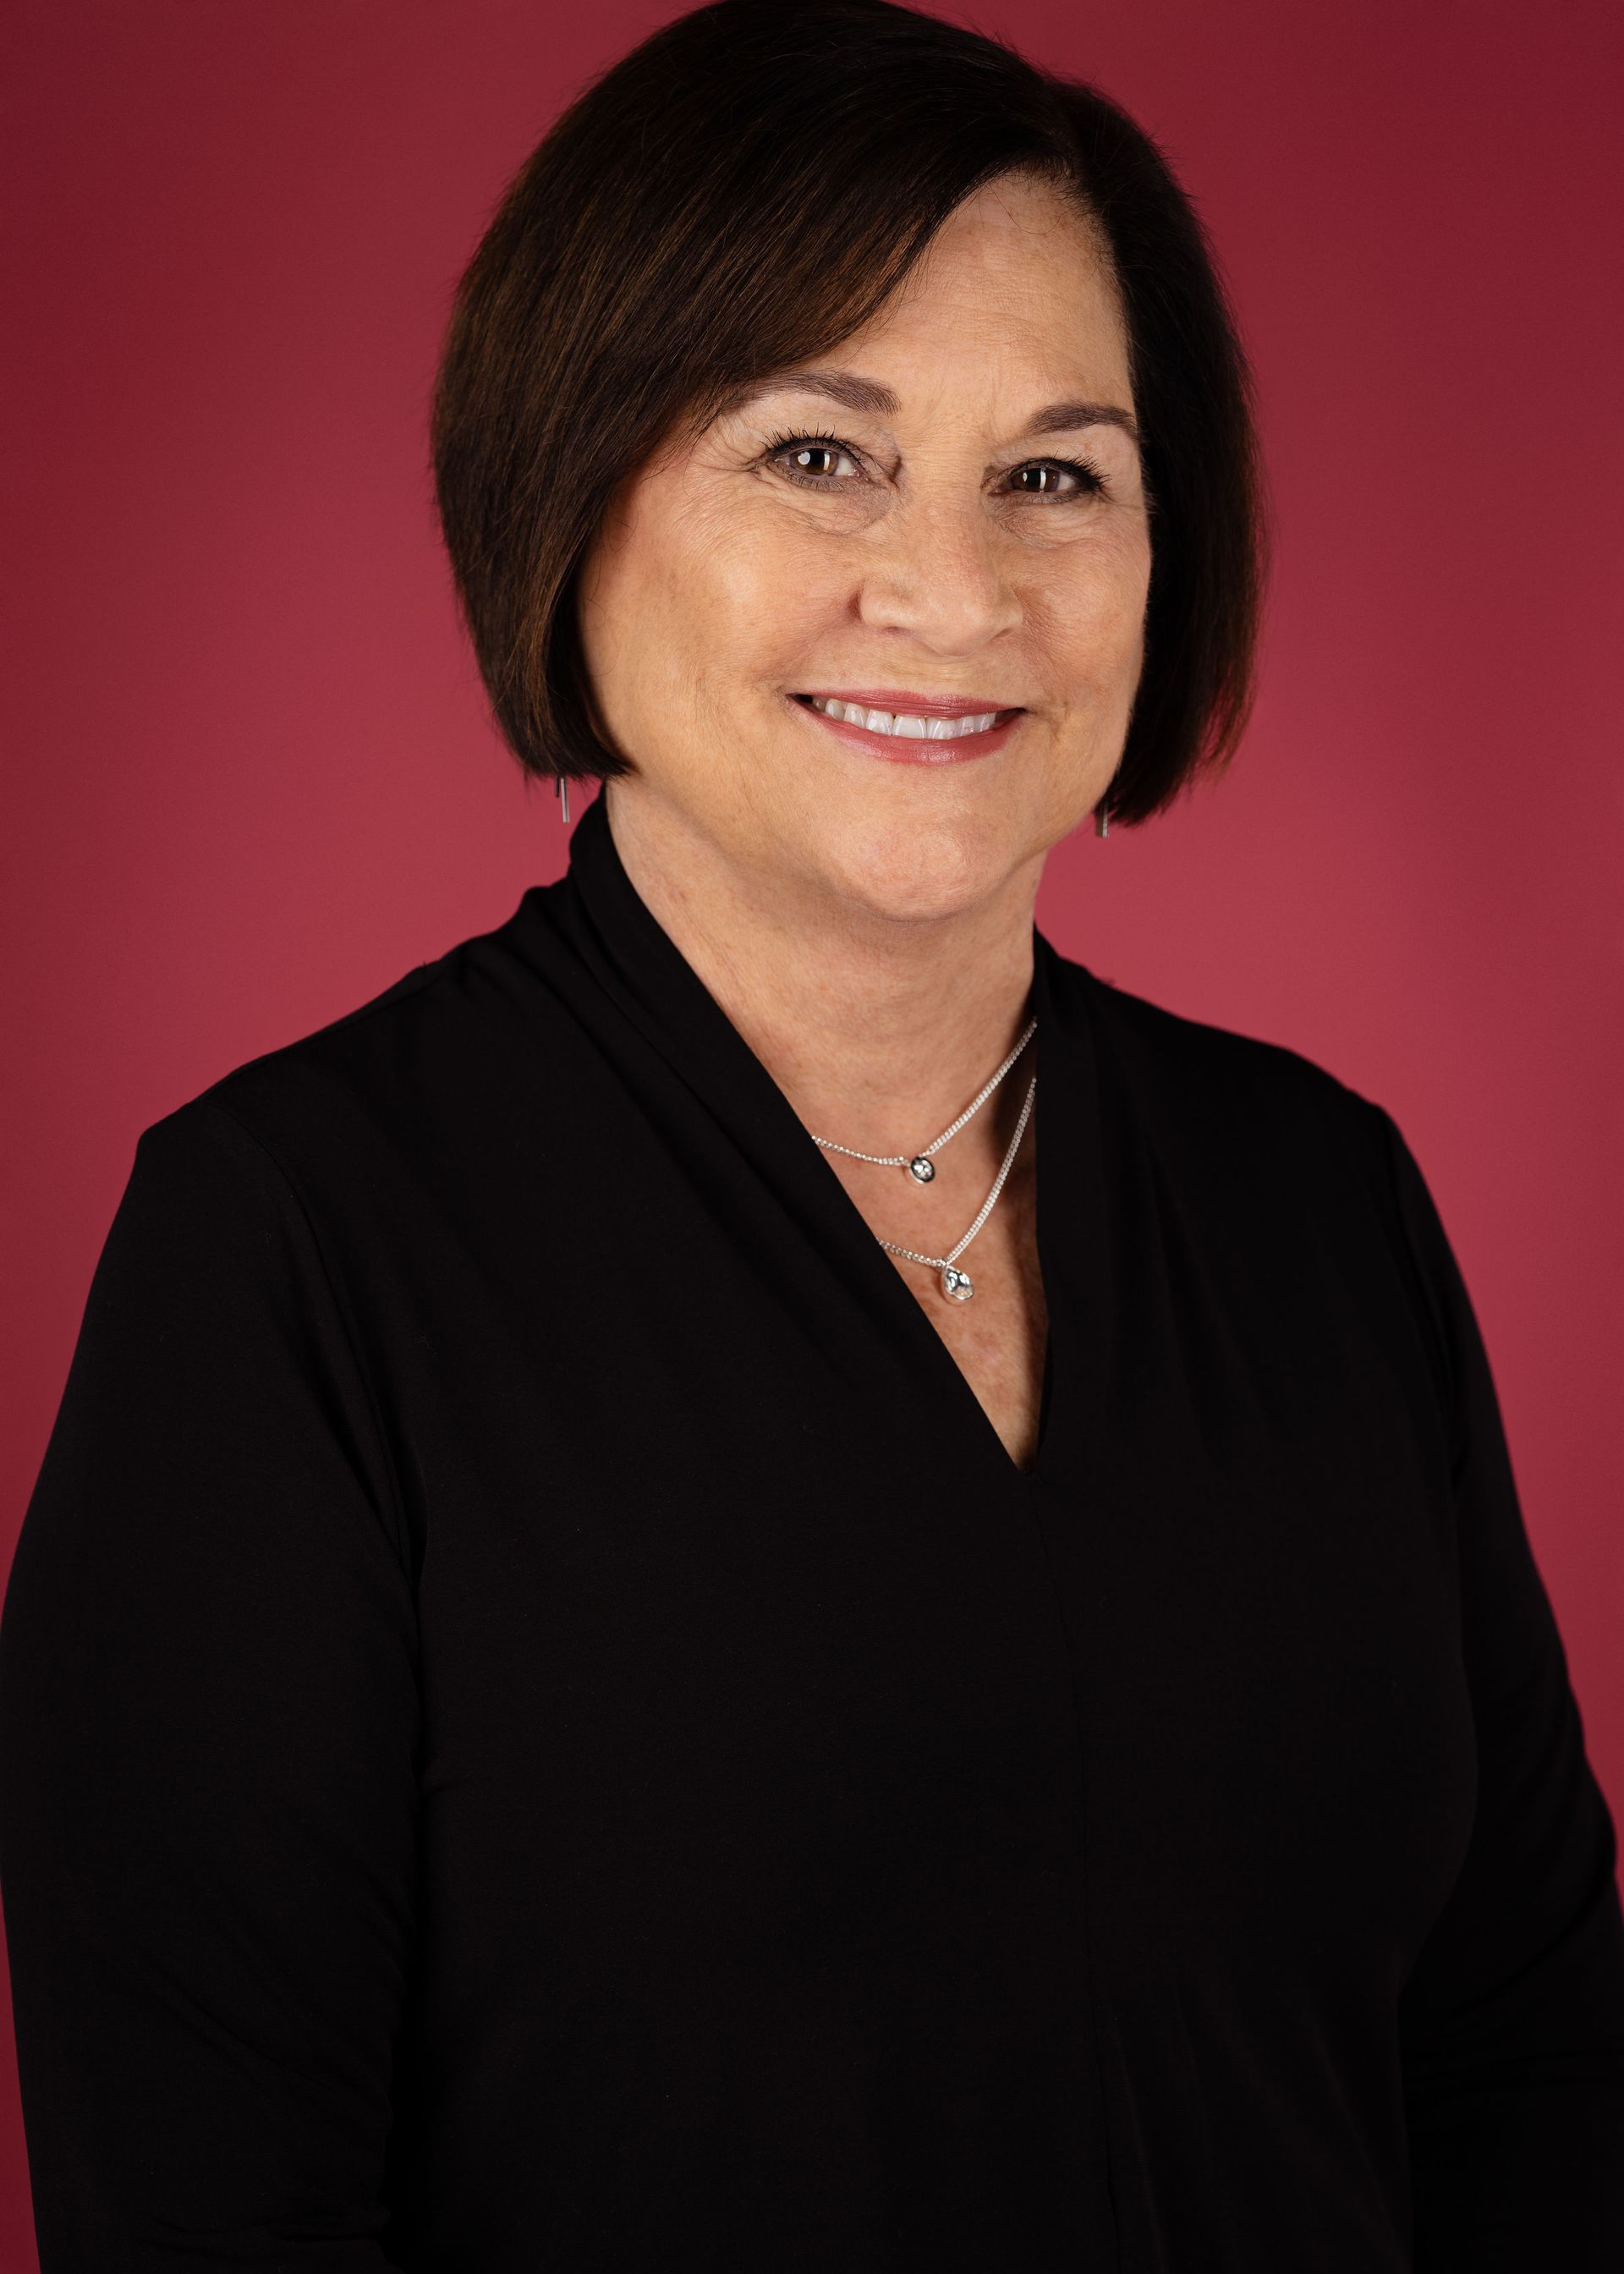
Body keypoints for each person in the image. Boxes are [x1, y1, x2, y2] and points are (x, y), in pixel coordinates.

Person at [3, 0, 1621, 2265]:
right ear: (572, 493)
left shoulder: (1318, 1197)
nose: (953, 593)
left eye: (1055, 475)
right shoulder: (293, 1252)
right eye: (817, 453)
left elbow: (1530, 2063)